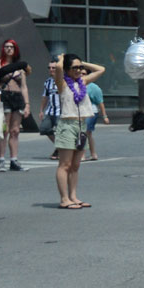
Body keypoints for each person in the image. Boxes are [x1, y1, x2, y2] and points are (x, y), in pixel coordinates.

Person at [49, 53, 105, 209]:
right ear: (67, 69)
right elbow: (59, 67)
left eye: (80, 68)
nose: (79, 70)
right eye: (75, 68)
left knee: (75, 165)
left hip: (81, 126)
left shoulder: (83, 82)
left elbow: (101, 69)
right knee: (65, 164)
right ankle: (64, 199)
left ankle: (73, 196)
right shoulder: (62, 83)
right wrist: (62, 58)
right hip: (67, 125)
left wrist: (82, 63)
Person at [0, 39, 29, 172]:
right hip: (5, 96)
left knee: (15, 130)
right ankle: (2, 160)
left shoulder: (20, 66)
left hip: (18, 97)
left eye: (12, 47)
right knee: (4, 130)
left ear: (15, 50)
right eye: (6, 47)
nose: (9, 49)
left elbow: (24, 86)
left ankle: (14, 160)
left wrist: (27, 104)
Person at [39, 62, 60, 159]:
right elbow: (45, 96)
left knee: (61, 132)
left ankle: (60, 150)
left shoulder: (64, 81)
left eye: (53, 68)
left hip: (61, 111)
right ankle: (59, 147)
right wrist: (41, 110)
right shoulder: (47, 82)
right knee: (44, 128)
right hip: (50, 110)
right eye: (49, 67)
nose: (51, 69)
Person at [85, 81, 109, 160]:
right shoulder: (74, 84)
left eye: (84, 74)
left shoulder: (93, 87)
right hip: (79, 112)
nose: (81, 75)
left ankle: (82, 154)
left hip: (91, 112)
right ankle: (93, 154)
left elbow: (100, 102)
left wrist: (104, 116)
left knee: (85, 132)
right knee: (87, 134)